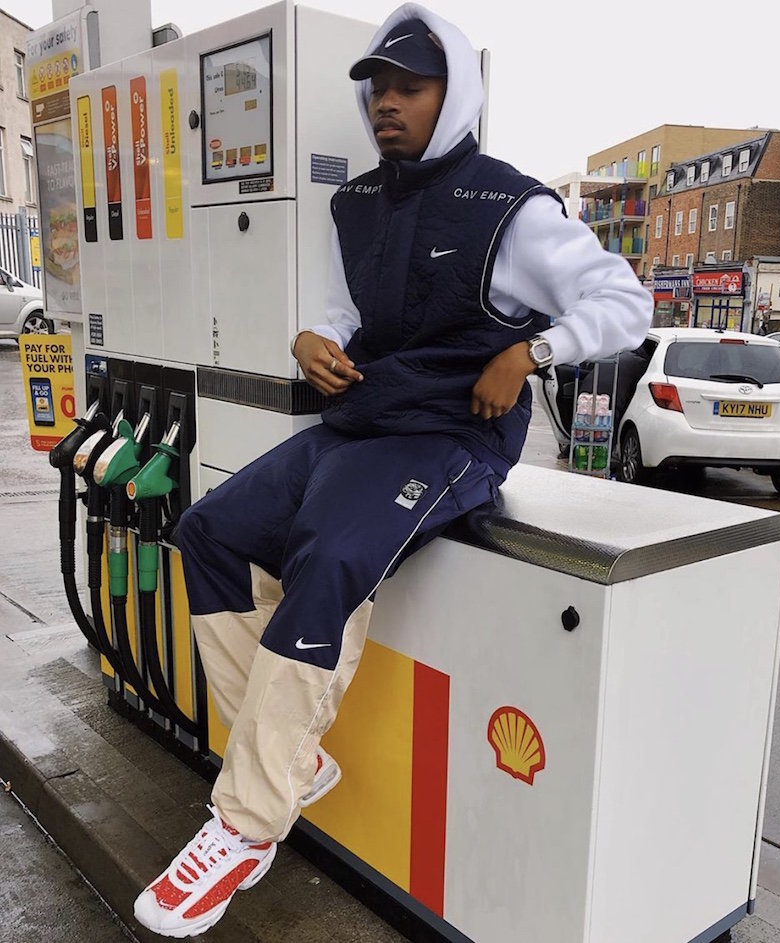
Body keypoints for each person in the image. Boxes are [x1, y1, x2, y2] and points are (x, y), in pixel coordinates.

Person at [133, 4, 652, 936]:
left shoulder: (513, 208)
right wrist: (312, 338)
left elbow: (625, 300)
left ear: (456, 96)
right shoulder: (361, 201)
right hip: (367, 418)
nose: (386, 103)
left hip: (454, 434)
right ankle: (288, 762)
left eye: (410, 87)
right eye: (378, 88)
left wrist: (532, 352)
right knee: (210, 529)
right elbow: (346, 310)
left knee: (329, 559)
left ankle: (245, 823)